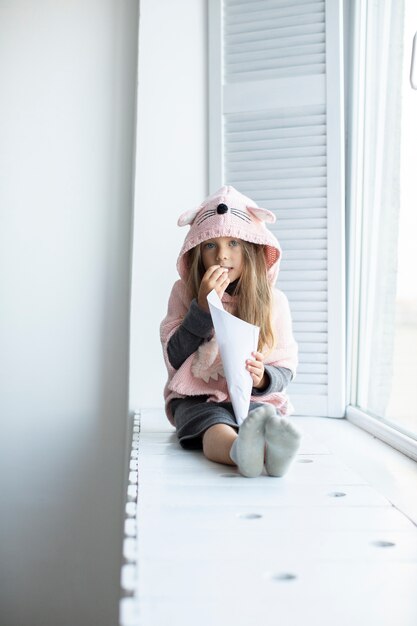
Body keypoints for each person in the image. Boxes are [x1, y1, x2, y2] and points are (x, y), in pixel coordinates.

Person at [160, 185, 301, 478]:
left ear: (251, 247)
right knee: (214, 426)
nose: (222, 255)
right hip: (197, 398)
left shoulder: (274, 301)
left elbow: (285, 366)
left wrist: (264, 378)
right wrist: (201, 306)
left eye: (234, 243)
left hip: (253, 398)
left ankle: (270, 453)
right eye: (211, 245)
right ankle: (240, 452)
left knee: (263, 417)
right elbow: (174, 355)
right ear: (197, 252)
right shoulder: (183, 293)